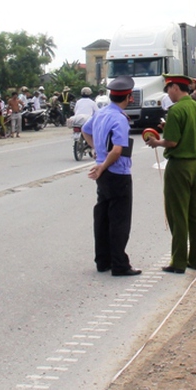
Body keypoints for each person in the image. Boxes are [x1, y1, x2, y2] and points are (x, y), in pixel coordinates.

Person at [145, 75, 196, 274]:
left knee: (177, 214)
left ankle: (178, 261)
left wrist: (156, 142)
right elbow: (188, 133)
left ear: (174, 87)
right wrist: (169, 129)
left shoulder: (176, 110)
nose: (168, 95)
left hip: (179, 166)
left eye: (168, 90)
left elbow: (171, 142)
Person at [81, 75, 141, 277]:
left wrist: (96, 153)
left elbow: (84, 130)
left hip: (103, 174)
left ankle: (103, 260)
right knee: (119, 221)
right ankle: (120, 264)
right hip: (117, 172)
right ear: (128, 97)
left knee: (103, 217)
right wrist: (104, 163)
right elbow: (117, 150)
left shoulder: (101, 113)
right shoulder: (119, 118)